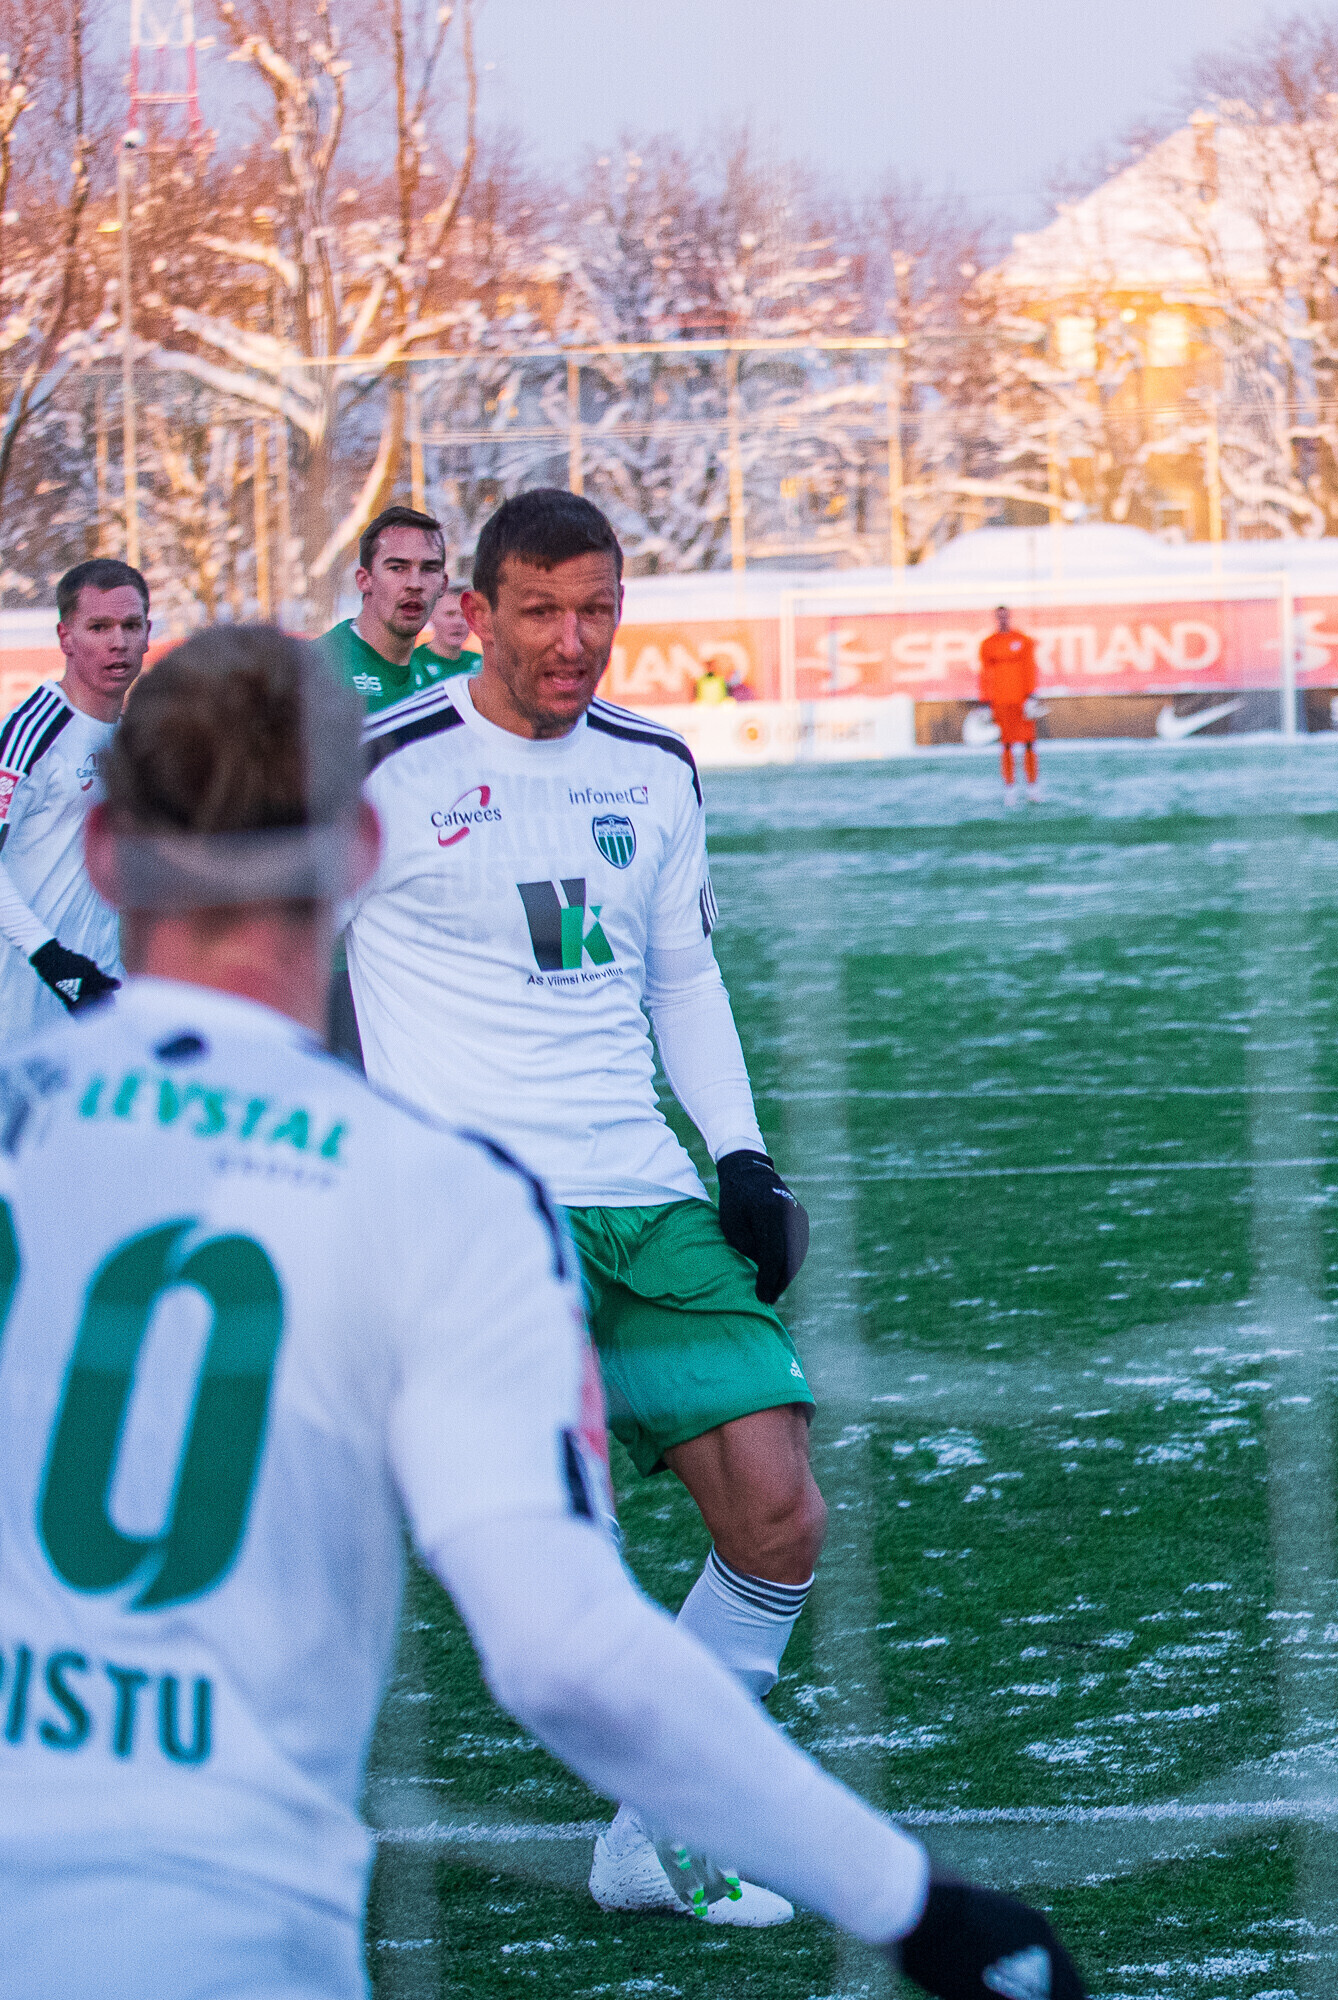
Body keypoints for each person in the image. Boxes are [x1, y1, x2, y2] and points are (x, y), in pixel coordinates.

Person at [0, 625, 1085, 2000]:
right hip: (221, 1937)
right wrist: (916, 1906)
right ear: (359, 850)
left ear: (101, 851)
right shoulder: (433, 1197)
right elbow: (566, 1651)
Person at [347, 488, 829, 1924]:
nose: (574, 640)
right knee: (562, 1570)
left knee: (780, 1517)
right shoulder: (375, 770)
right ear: (474, 614)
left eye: (599, 608)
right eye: (542, 611)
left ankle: (658, 1829)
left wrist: (741, 1156)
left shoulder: (655, 767)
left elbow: (683, 976)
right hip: (481, 1216)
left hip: (647, 1196)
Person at [0, 558, 150, 1043]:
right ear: (65, 638)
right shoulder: (33, 734)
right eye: (99, 627)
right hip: (20, 1007)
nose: (118, 643)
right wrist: (49, 957)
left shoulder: (132, 738)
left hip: (97, 997)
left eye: (131, 626)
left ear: (148, 634)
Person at [320, 505, 474, 713]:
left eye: (429, 569)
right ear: (364, 580)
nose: (415, 584)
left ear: (443, 585)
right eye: (397, 568)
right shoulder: (317, 667)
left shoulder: (435, 687)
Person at [978, 605, 1041, 792]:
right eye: (1000, 616)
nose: (1003, 619)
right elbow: (985, 674)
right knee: (1006, 744)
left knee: (1029, 743)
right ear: (996, 618)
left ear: (1009, 617)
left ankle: (1032, 785)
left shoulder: (1023, 640)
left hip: (1022, 700)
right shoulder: (988, 643)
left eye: (1005, 616)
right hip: (1001, 701)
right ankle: (1009, 786)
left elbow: (1030, 668)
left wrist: (1031, 695)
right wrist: (985, 700)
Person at [425, 572, 481, 672]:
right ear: (431, 615)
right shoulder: (411, 666)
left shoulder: (481, 666)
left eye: (464, 615)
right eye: (449, 614)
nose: (458, 622)